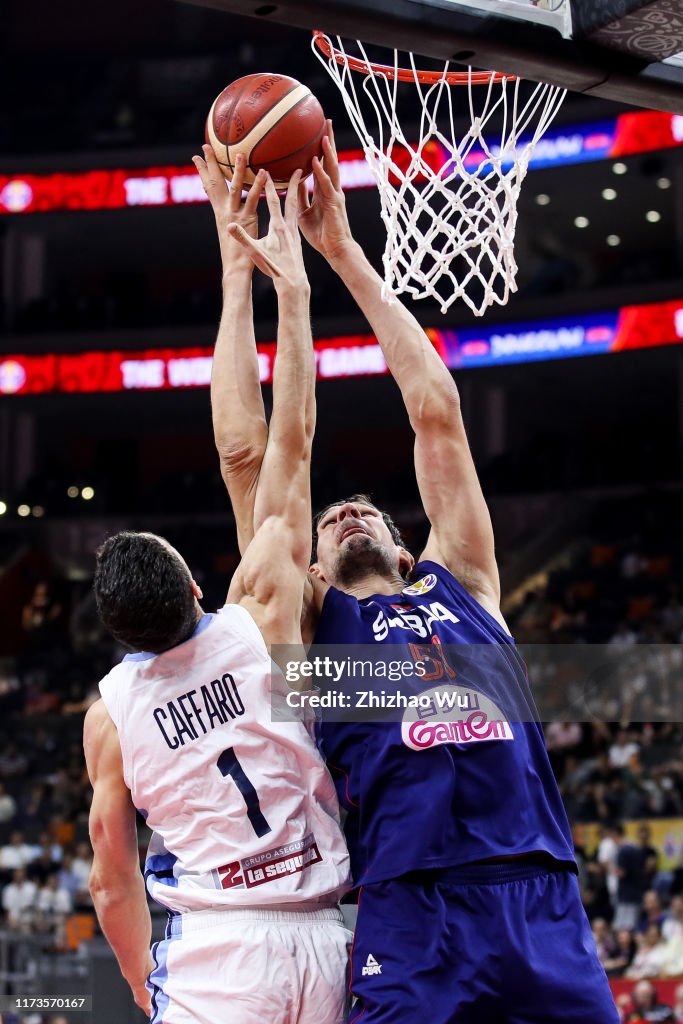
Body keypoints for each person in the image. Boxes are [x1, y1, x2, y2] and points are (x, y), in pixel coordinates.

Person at [221, 125, 619, 1022]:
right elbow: (261, 459)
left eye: (363, 509)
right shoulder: (310, 622)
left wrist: (346, 256)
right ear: (314, 565)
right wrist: (269, 287)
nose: (343, 513)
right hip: (407, 906)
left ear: (409, 551)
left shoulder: (465, 586)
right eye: (329, 520)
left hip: (537, 891)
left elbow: (435, 412)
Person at [83, 162, 351, 1024]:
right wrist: (281, 287)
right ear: (198, 583)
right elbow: (279, 449)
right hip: (333, 935)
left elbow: (107, 868)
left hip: (217, 957)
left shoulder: (110, 715)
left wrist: (136, 981)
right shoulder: (262, 615)